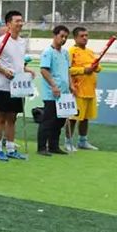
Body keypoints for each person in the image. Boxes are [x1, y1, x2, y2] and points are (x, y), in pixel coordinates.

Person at [0, 10, 32, 161]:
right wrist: (4, 71)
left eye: (21, 21)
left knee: (13, 117)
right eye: (17, 21)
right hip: (2, 85)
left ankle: (10, 148)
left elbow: (19, 62)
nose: (20, 24)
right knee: (0, 116)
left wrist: (26, 71)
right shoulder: (0, 42)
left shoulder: (22, 42)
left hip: (18, 85)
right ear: (9, 24)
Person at [37, 25, 72, 156]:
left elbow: (68, 70)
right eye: (61, 36)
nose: (63, 39)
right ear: (55, 35)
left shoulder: (65, 53)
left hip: (64, 93)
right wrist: (53, 85)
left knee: (60, 121)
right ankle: (41, 147)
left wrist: (71, 85)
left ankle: (54, 146)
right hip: (52, 93)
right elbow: (44, 70)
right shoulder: (48, 52)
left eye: (66, 37)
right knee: (48, 120)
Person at [67, 26, 103, 151]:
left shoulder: (90, 52)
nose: (85, 38)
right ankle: (68, 142)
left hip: (90, 90)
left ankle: (83, 141)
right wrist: (83, 70)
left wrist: (95, 67)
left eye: (86, 35)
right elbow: (67, 69)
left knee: (85, 118)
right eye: (82, 36)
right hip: (77, 90)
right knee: (73, 118)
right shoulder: (71, 52)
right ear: (75, 37)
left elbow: (98, 68)